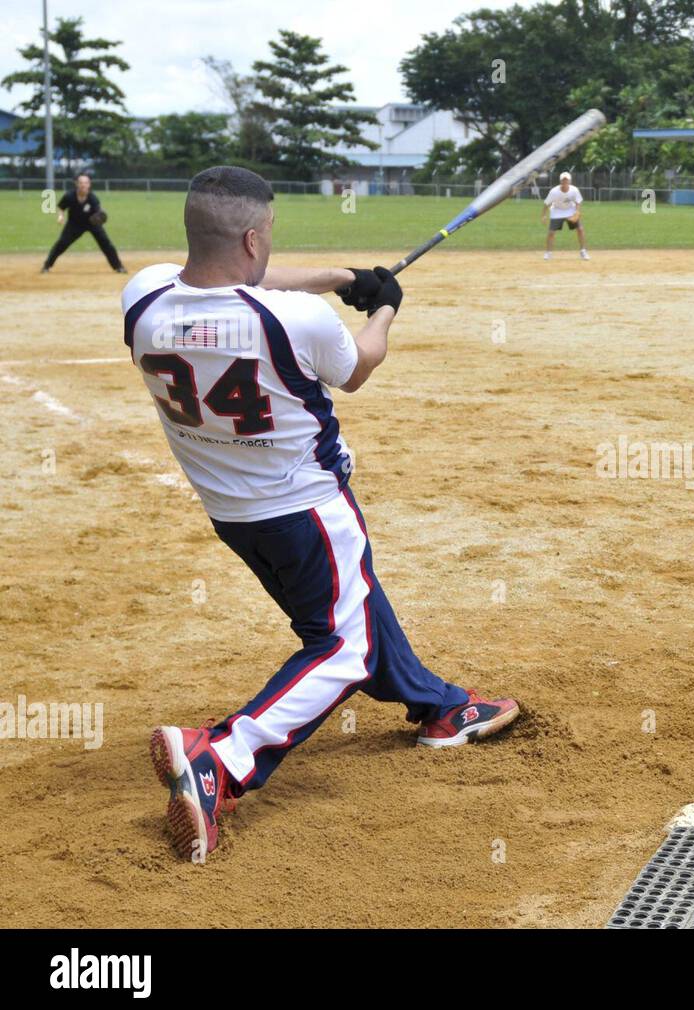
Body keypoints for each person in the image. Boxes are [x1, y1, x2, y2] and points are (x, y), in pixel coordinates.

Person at [124, 166, 519, 859]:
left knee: (345, 612)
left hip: (231, 512)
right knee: (344, 646)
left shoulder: (144, 295)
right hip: (306, 506)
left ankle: (439, 707)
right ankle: (223, 758)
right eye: (268, 236)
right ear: (253, 237)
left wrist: (340, 277)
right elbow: (360, 365)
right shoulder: (295, 320)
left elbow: (239, 290)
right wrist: (384, 307)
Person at [41, 172, 126, 274]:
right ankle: (47, 265)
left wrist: (100, 215)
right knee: (62, 244)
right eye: (81, 182)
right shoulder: (69, 196)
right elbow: (61, 207)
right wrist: (60, 216)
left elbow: (99, 211)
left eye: (86, 182)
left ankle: (118, 267)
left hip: (92, 224)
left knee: (106, 244)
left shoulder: (93, 198)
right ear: (77, 184)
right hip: (74, 224)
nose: (83, 185)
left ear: (89, 184)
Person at [543, 171, 589, 260]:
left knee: (580, 229)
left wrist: (577, 212)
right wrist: (544, 215)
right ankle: (548, 253)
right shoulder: (554, 191)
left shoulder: (574, 190)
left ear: (569, 181)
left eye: (566, 180)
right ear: (560, 182)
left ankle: (583, 251)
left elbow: (578, 201)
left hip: (570, 210)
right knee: (551, 232)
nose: (565, 182)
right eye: (563, 180)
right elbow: (546, 203)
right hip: (557, 210)